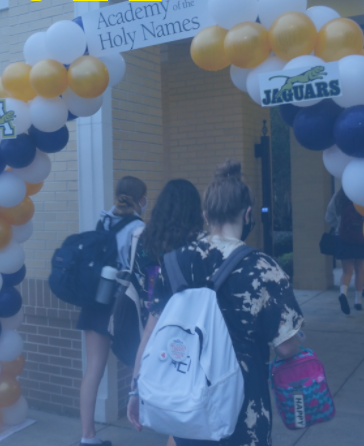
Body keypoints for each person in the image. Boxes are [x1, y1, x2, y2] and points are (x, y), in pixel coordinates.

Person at [127, 161, 304, 446]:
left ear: (206, 215)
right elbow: (285, 347)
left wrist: (136, 391)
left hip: (188, 407)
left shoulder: (175, 262)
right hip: (243, 410)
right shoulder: (264, 268)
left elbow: (150, 332)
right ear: (247, 215)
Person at [130, 179, 204, 446]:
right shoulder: (197, 245)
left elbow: (143, 285)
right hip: (191, 329)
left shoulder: (146, 240)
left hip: (156, 324)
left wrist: (135, 388)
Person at [78, 176, 147, 446]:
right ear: (141, 199)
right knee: (138, 362)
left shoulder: (103, 219)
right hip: (122, 307)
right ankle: (146, 420)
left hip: (95, 302)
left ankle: (87, 436)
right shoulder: (138, 228)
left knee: (93, 368)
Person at [326, 187, 364, 314]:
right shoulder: (363, 195)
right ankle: (358, 302)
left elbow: (328, 217)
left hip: (343, 237)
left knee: (347, 270)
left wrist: (338, 226)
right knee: (359, 270)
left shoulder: (338, 197)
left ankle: (343, 294)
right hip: (361, 236)